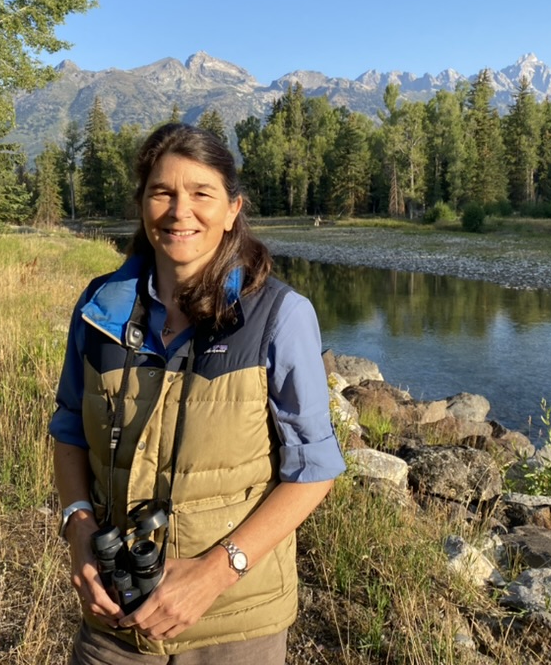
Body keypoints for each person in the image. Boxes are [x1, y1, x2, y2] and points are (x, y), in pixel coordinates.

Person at [49, 123, 346, 663]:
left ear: (233, 209)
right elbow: (68, 425)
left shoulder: (280, 316)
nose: (179, 211)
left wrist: (216, 572)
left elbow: (315, 468)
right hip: (114, 619)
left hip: (233, 627)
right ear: (142, 204)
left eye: (201, 194)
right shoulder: (100, 310)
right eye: (162, 192)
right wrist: (78, 528)